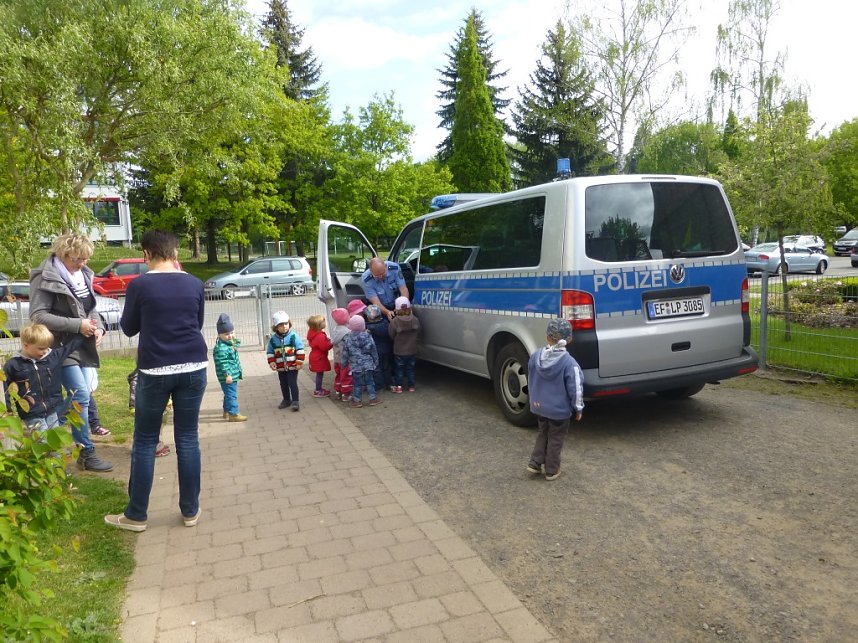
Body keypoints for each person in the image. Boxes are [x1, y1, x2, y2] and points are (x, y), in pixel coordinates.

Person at [104, 229, 208, 532]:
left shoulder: (139, 286)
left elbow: (127, 328)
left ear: (146, 255)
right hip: (194, 365)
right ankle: (190, 510)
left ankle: (137, 515)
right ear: (175, 254)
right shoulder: (194, 283)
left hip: (155, 370)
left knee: (146, 440)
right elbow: (197, 323)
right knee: (188, 438)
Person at [29, 232, 113, 472]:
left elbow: (91, 308)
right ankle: (85, 450)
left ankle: (46, 426)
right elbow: (38, 315)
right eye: (77, 259)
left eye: (85, 259)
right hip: (58, 348)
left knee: (81, 400)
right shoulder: (43, 276)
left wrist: (98, 328)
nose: (82, 264)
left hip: (83, 345)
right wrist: (78, 325)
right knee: (81, 396)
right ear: (63, 254)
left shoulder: (83, 274)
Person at [525, 318, 584, 482]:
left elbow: (530, 376)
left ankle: (535, 462)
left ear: (547, 337)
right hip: (558, 411)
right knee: (556, 438)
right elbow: (576, 387)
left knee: (543, 433)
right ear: (569, 339)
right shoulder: (569, 363)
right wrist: (578, 407)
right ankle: (551, 469)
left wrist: (534, 398)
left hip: (539, 406)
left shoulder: (536, 356)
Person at [3, 323, 81, 434]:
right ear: (26, 346)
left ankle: (55, 452)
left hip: (52, 409)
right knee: (42, 440)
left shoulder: (52, 357)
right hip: (31, 413)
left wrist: (87, 332)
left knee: (54, 437)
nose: (45, 351)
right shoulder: (13, 365)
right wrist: (8, 410)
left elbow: (70, 347)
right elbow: (4, 389)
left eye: (47, 347)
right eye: (41, 348)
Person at [266, 311, 305, 411]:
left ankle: (295, 401)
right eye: (281, 325)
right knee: (283, 383)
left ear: (289, 323)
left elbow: (300, 349)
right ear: (275, 327)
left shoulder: (293, 336)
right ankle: (286, 399)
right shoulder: (273, 339)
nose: (284, 327)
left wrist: (299, 362)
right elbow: (270, 351)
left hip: (293, 365)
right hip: (281, 367)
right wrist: (272, 361)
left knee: (292, 383)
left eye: (286, 324)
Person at [127, 367, 170, 457]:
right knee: (154, 428)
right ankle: (156, 447)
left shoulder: (137, 375)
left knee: (140, 429)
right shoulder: (147, 375)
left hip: (138, 407)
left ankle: (138, 447)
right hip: (150, 407)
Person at [341, 314, 380, 408]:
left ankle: (357, 401)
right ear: (363, 325)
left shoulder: (348, 338)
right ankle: (372, 399)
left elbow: (345, 353)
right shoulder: (368, 336)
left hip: (355, 366)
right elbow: (373, 350)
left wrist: (343, 364)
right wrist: (376, 361)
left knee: (357, 384)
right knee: (370, 382)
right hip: (368, 364)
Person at [213, 313, 246, 422]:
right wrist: (227, 375)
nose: (230, 336)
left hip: (233, 374)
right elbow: (223, 363)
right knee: (232, 394)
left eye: (232, 333)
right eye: (227, 334)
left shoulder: (228, 344)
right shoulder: (221, 348)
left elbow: (237, 343)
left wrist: (234, 342)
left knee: (228, 393)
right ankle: (234, 414)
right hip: (228, 376)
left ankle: (226, 410)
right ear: (219, 335)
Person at [388, 296, 420, 393]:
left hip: (399, 351)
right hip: (412, 350)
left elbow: (391, 335)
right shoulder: (415, 320)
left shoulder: (394, 322)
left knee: (399, 369)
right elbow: (419, 332)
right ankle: (411, 386)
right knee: (411, 369)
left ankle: (399, 386)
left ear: (396, 309)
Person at [364, 305, 394, 392]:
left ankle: (379, 385)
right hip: (387, 349)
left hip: (376, 352)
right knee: (387, 367)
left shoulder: (369, 328)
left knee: (377, 368)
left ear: (369, 317)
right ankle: (389, 383)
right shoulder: (386, 324)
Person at [306, 314, 333, 398]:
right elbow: (325, 347)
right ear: (319, 325)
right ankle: (318, 390)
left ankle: (319, 389)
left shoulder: (314, 334)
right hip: (319, 358)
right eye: (323, 322)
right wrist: (331, 343)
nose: (325, 323)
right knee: (319, 374)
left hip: (315, 356)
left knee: (319, 373)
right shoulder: (320, 336)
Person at [330, 307, 353, 402]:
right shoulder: (347, 333)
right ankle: (346, 394)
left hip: (337, 359)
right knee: (346, 376)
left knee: (339, 375)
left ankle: (338, 391)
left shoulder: (335, 330)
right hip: (345, 359)